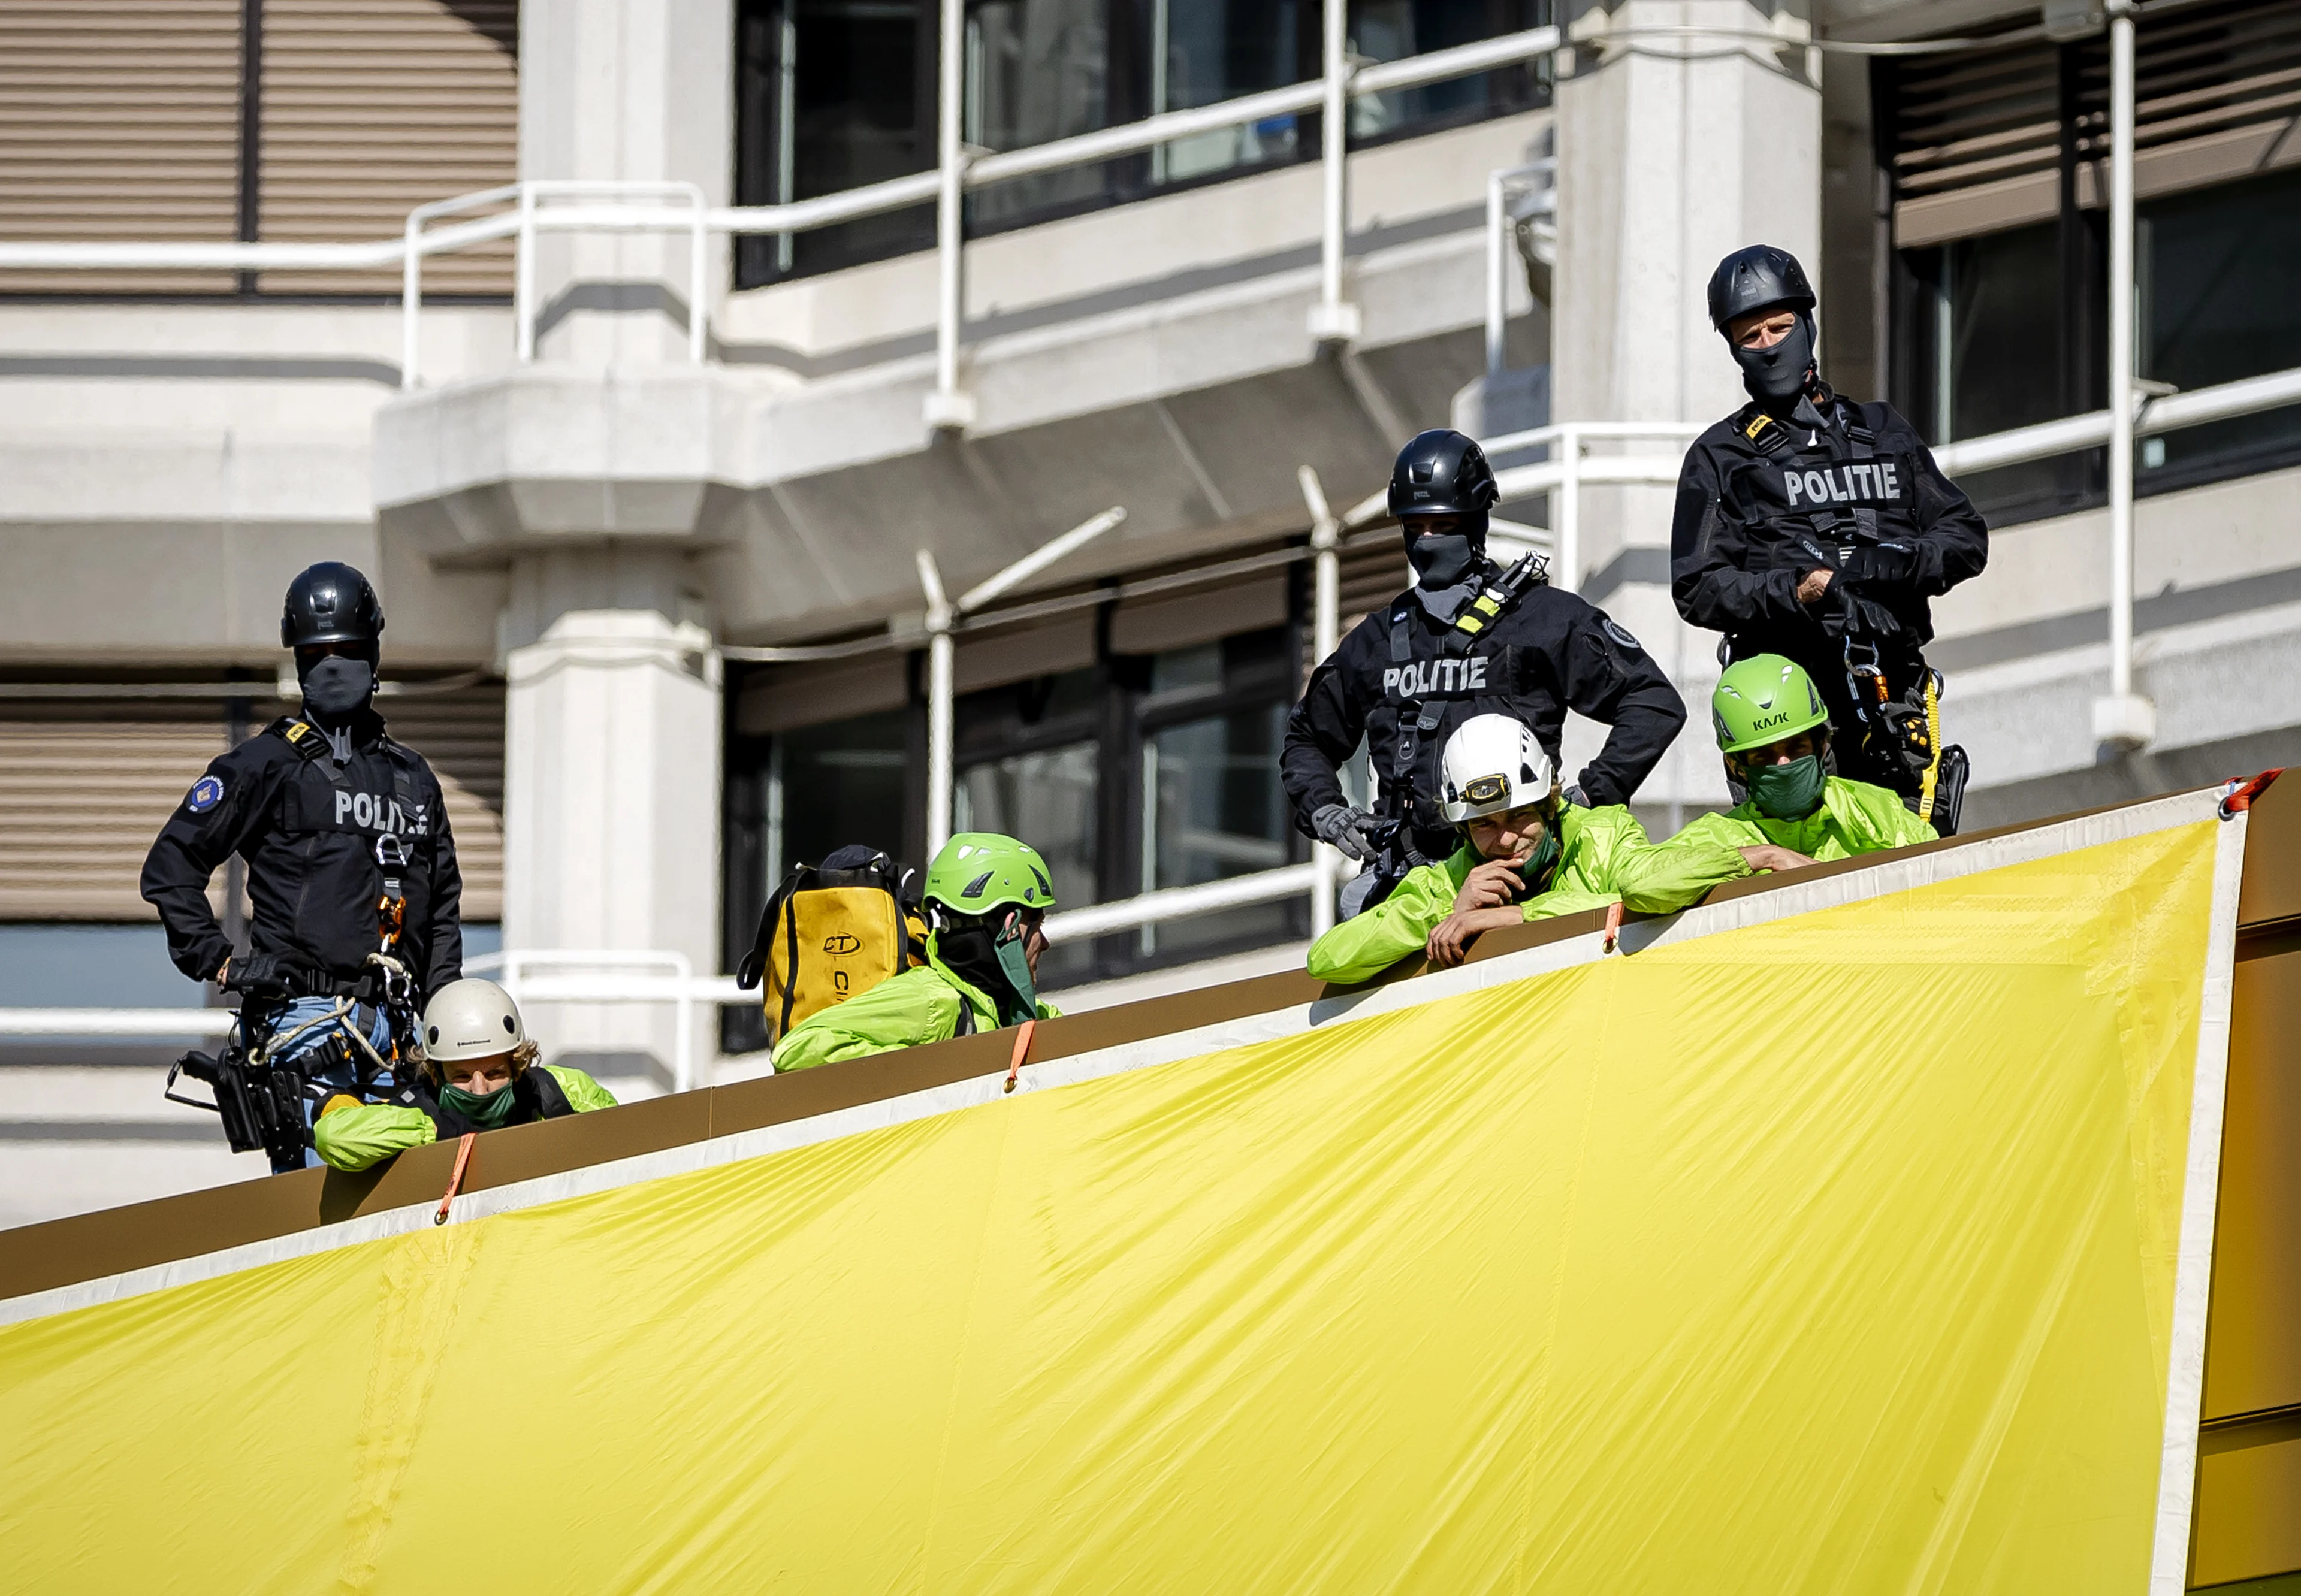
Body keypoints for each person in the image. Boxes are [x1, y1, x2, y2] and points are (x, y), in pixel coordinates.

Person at [141, 561, 464, 1170]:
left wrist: (444, 1018)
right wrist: (221, 961)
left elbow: (442, 912)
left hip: (400, 1035)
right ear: (298, 662)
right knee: (332, 1216)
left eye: (347, 649)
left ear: (374, 654)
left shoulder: (414, 780)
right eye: (317, 654)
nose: (334, 665)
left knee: (427, 1196)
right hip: (304, 1027)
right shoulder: (263, 765)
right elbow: (170, 866)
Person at [1283, 428, 1687, 911]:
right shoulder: (1376, 642)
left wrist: (1593, 794)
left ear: (1476, 520)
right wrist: (1328, 813)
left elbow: (1652, 701)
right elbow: (1306, 738)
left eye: (1444, 523)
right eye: (1415, 526)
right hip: (1412, 887)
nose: (1429, 539)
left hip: (1523, 882)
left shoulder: (1542, 619)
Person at [1671, 244, 1988, 832]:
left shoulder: (1882, 431)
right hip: (1786, 713)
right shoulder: (1720, 456)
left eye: (1779, 327)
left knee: (1910, 850)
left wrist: (1888, 564)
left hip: (1892, 690)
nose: (1768, 344)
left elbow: (1965, 536)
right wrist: (1799, 590)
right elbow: (1697, 587)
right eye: (1751, 335)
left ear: (1807, 323)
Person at [1306, 714, 1801, 986]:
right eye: (1484, 826)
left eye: (1520, 816)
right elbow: (1329, 959)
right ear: (1461, 831)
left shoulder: (1601, 833)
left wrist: (1518, 919)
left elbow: (1644, 889)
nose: (1504, 839)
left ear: (1549, 803)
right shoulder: (1450, 879)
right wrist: (1446, 913)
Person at [772, 832, 1061, 1072]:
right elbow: (796, 1050)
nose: (1044, 942)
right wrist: (928, 1072)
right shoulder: (934, 1001)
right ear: (1007, 927)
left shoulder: (1031, 1014)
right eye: (1036, 923)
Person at [312, 979, 615, 1173]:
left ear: (517, 1066)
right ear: (436, 1075)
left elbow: (624, 1139)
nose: (480, 1089)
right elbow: (334, 1136)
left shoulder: (557, 1091)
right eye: (461, 1077)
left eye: (495, 1073)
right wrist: (438, 1130)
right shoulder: (417, 1111)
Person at [1662, 654, 1938, 865]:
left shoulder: (1876, 810)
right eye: (1764, 755)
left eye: (1796, 748)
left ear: (1822, 746)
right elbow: (1641, 881)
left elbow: (1936, 871)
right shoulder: (1718, 836)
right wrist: (1767, 857)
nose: (1784, 764)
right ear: (1737, 767)